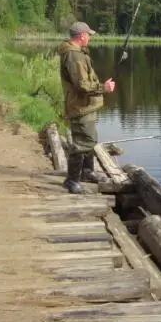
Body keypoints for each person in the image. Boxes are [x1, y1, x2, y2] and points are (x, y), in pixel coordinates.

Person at [57, 21, 116, 194]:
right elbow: (81, 85)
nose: (89, 37)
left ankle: (87, 172)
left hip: (85, 106)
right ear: (82, 36)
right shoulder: (74, 56)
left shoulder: (77, 53)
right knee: (84, 141)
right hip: (80, 106)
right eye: (88, 34)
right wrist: (103, 88)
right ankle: (71, 181)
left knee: (90, 138)